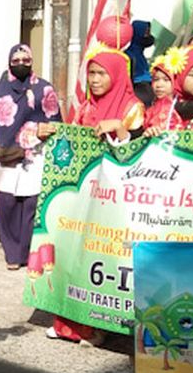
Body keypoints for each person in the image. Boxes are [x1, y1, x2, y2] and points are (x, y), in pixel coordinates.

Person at [48, 46, 145, 346]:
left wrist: (122, 131)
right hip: (85, 193)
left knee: (108, 257)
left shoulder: (133, 109)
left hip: (119, 197)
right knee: (77, 251)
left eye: (102, 73)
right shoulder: (86, 108)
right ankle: (71, 323)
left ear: (117, 74)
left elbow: (140, 152)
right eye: (91, 72)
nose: (95, 79)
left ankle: (102, 325)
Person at [0, 43, 61, 269]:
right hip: (6, 156)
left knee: (30, 205)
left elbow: (56, 121)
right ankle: (12, 255)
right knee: (6, 204)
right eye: (16, 61)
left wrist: (41, 129)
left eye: (26, 60)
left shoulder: (44, 89)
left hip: (35, 155)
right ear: (9, 63)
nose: (21, 65)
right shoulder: (1, 90)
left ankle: (25, 253)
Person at [127, 20, 156, 105]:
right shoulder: (130, 55)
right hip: (139, 89)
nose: (148, 36)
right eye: (146, 33)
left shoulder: (139, 53)